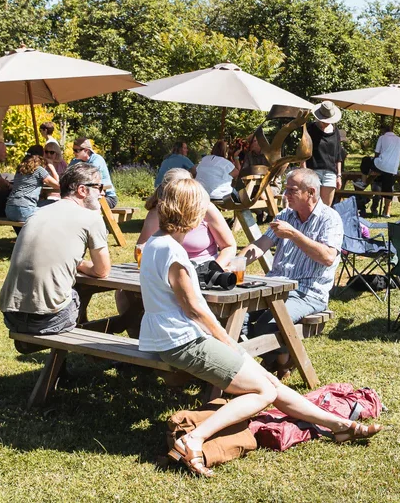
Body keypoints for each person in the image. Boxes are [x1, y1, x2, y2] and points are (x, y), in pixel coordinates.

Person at [140, 176, 378, 477]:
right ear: (189, 211)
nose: (205, 214)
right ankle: (193, 439)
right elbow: (195, 310)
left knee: (268, 381)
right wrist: (229, 342)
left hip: (172, 337)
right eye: (202, 208)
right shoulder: (173, 253)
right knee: (264, 391)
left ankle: (338, 425)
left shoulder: (156, 243)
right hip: (184, 341)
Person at [242, 169, 343, 376]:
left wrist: (294, 234)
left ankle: (272, 363)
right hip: (273, 286)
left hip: (308, 292)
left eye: (292, 190)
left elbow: (328, 257)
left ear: (311, 192)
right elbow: (262, 244)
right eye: (286, 189)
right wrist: (237, 262)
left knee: (268, 325)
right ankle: (281, 359)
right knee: (236, 317)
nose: (285, 194)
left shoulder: (329, 218)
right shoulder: (285, 215)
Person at [0, 164, 111, 336]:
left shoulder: (37, 213)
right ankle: (94, 344)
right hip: (48, 319)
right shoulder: (92, 218)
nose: (102, 193)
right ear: (82, 190)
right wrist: (79, 264)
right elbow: (102, 271)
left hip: (12, 316)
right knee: (77, 294)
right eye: (99, 187)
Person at [304, 100, 343, 206]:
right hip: (313, 171)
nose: (326, 122)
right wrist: (304, 172)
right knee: (311, 204)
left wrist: (339, 175)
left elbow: (338, 155)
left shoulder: (335, 131)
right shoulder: (310, 129)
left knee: (326, 208)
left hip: (330, 173)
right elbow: (303, 152)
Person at [5, 152, 60, 223]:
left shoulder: (19, 169)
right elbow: (58, 185)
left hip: (9, 210)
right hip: (24, 210)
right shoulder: (39, 169)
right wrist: (51, 166)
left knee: (47, 202)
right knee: (55, 205)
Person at [67, 138, 119, 209]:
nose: (74, 153)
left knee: (83, 206)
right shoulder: (75, 161)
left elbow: (89, 179)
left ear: (86, 150)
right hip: (86, 196)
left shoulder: (97, 160)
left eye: (76, 150)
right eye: (73, 150)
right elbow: (67, 177)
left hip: (106, 196)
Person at [372, 124, 400, 218]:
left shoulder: (382, 138)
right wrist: (395, 153)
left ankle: (363, 182)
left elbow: (376, 153)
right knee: (388, 189)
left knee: (366, 162)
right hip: (392, 168)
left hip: (381, 165)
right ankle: (387, 211)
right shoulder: (399, 139)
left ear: (383, 130)